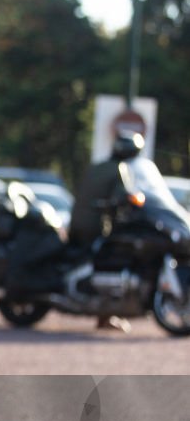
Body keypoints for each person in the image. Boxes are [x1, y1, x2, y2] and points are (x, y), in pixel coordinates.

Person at [69, 131, 145, 331]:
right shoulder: (120, 169)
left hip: (77, 223)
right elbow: (125, 195)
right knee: (107, 264)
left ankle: (103, 314)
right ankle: (104, 314)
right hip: (96, 226)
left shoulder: (97, 167)